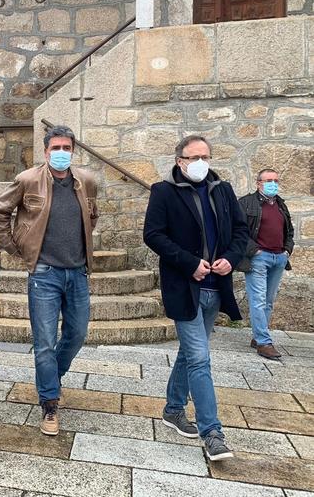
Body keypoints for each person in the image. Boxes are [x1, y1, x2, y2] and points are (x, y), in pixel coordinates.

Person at [143, 135, 248, 462]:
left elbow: (241, 231)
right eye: (193, 157)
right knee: (201, 358)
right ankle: (212, 432)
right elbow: (153, 234)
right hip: (185, 288)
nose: (201, 161)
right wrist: (190, 263)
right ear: (180, 161)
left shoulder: (224, 190)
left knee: (191, 354)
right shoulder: (164, 192)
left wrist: (231, 258)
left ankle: (173, 409)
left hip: (216, 289)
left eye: (205, 155)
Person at [0, 126, 98, 437]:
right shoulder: (28, 180)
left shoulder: (86, 181)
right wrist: (15, 247)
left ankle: (49, 377)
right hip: (44, 274)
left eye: (67, 147)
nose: (62, 153)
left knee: (77, 334)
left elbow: (92, 215)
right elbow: (0, 212)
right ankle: (49, 402)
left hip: (78, 271)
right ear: (45, 151)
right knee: (44, 343)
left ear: (73, 150)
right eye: (56, 148)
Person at [237, 168, 294, 360]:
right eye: (269, 180)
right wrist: (255, 251)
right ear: (258, 183)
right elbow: (238, 231)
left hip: (279, 258)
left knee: (268, 300)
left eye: (276, 180)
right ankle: (263, 342)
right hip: (259, 258)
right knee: (258, 300)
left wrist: (287, 250)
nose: (273, 184)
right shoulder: (246, 203)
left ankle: (257, 336)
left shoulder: (280, 204)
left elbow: (289, 231)